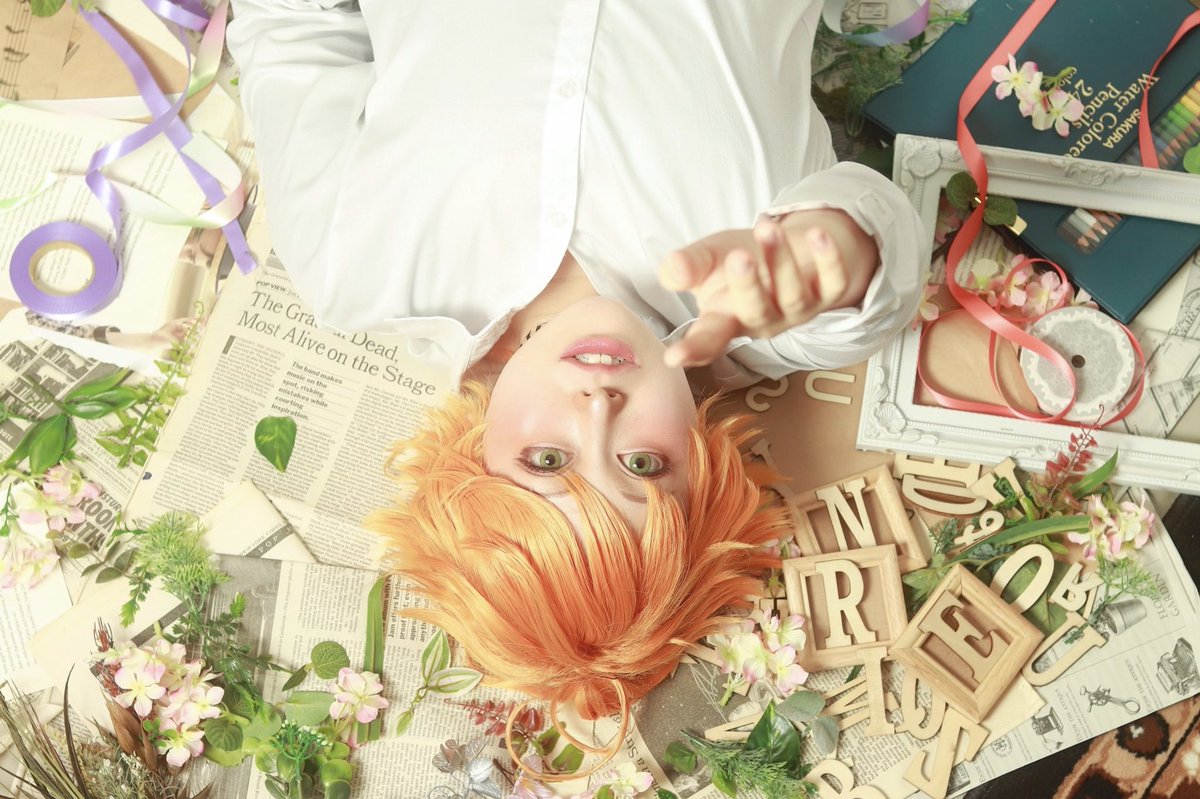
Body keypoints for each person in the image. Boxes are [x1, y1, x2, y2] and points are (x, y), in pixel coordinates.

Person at [228, 0, 927, 770]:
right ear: (703, 471)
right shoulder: (766, 318)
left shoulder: (353, 269)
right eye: (642, 465)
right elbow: (878, 276)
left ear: (470, 464)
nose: (599, 411)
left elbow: (289, 25)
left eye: (548, 461)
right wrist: (831, 252)